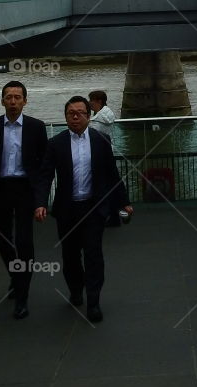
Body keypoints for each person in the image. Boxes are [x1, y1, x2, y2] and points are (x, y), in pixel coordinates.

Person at [34, 95, 133, 322]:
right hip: (67, 210)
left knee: (93, 254)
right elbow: (45, 175)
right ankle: (76, 289)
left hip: (93, 208)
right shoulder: (56, 143)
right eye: (71, 113)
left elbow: (112, 175)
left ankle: (94, 300)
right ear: (66, 117)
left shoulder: (100, 141)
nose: (76, 116)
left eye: (80, 113)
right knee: (70, 256)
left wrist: (123, 202)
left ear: (89, 116)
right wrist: (40, 203)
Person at [0, 81, 50, 319]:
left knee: (24, 241)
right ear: (2, 101)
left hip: (25, 190)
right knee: (2, 241)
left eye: (17, 97)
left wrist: (41, 199)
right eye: (8, 97)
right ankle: (16, 277)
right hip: (0, 188)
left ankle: (22, 297)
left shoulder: (36, 127)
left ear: (25, 101)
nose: (13, 101)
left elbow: (43, 166)